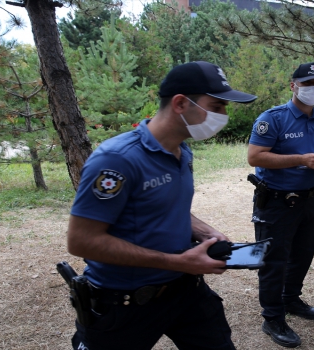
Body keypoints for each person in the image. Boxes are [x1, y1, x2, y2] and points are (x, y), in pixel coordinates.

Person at [66, 61, 257, 350]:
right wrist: (177, 261)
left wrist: (203, 230)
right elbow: (82, 241)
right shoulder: (117, 160)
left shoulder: (182, 151)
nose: (223, 116)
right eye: (217, 106)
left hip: (186, 291)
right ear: (181, 103)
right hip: (126, 301)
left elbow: (165, 204)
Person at [247, 62, 314, 347]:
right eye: (306, 84)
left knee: (303, 254)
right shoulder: (273, 118)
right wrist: (300, 159)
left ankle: (290, 299)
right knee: (272, 260)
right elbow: (255, 157)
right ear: (293, 85)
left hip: (309, 200)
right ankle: (272, 317)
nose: (312, 89)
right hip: (277, 202)